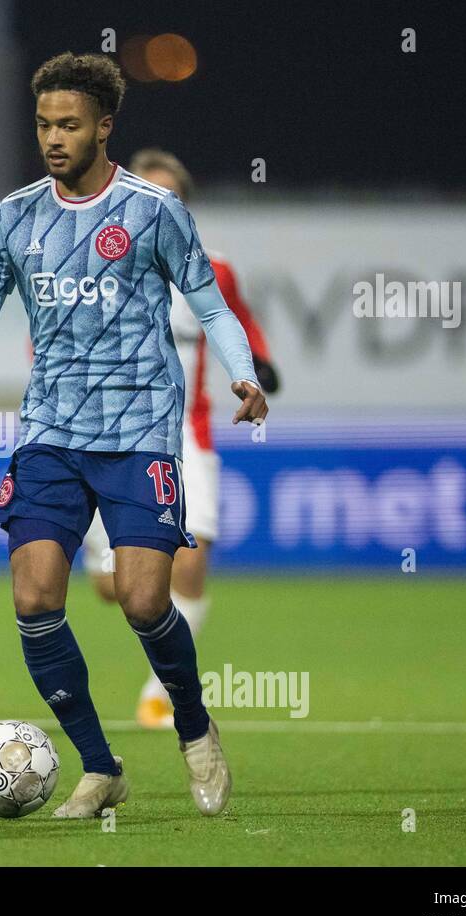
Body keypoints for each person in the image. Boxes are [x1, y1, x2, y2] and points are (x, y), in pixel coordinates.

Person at [0, 53, 267, 818]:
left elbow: (210, 306)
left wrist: (243, 374)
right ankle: (100, 765)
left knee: (145, 600)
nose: (52, 137)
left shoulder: (153, 210)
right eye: (44, 123)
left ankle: (195, 724)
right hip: (48, 431)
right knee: (34, 594)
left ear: (104, 126)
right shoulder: (14, 216)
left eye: (69, 124)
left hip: (141, 429)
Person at [80, 149, 280, 728]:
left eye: (171, 197)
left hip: (186, 437)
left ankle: (161, 691)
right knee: (113, 586)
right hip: (106, 436)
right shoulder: (93, 261)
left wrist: (257, 364)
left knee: (190, 567)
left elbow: (235, 317)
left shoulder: (211, 269)